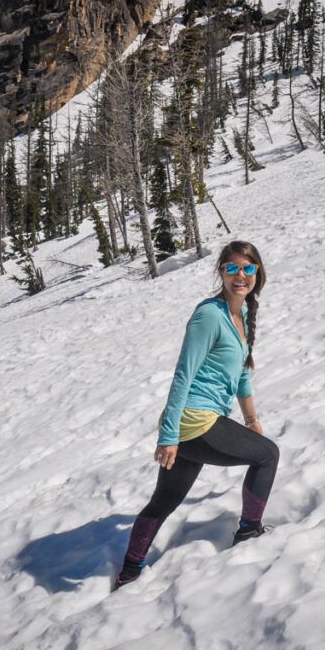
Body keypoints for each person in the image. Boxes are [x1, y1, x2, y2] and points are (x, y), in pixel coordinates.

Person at [115, 241, 280, 588]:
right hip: (194, 421)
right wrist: (169, 436)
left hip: (194, 424)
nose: (240, 276)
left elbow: (242, 375)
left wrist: (251, 420)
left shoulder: (242, 314)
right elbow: (183, 375)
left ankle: (130, 570)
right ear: (220, 270)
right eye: (232, 268)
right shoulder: (209, 315)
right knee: (268, 456)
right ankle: (249, 532)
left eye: (248, 269)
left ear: (258, 273)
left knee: (165, 501)